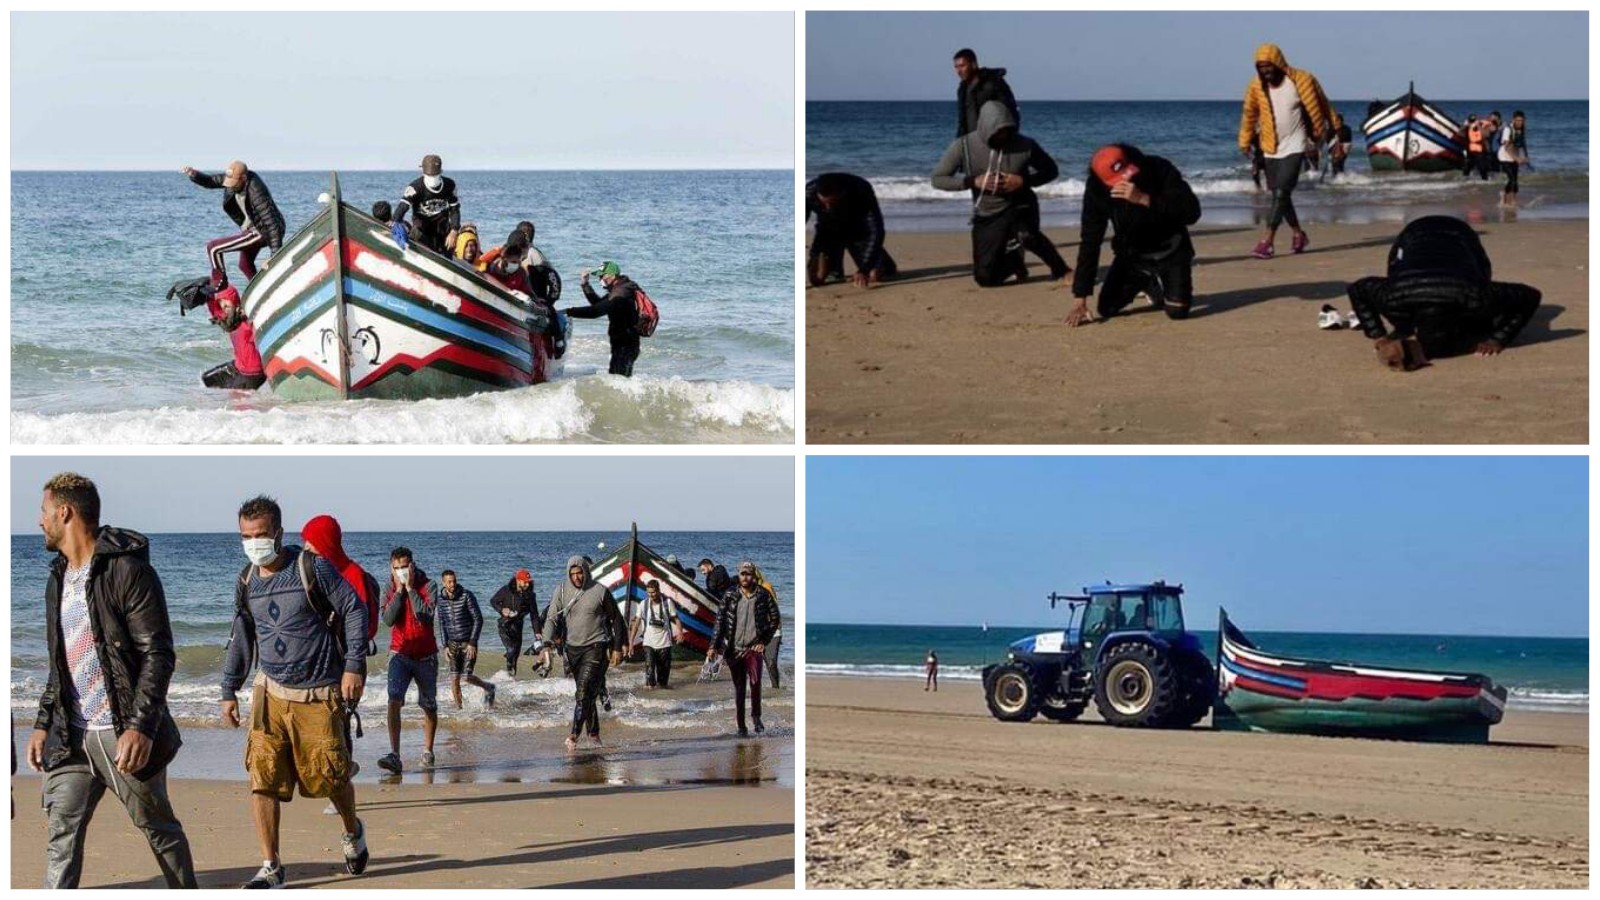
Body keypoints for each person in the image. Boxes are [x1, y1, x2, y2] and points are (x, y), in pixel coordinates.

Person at [28, 473, 196, 889]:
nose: (39, 521)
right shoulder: (57, 577)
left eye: (43, 511)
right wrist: (43, 721)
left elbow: (158, 654)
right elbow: (61, 661)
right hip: (71, 736)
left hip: (120, 733)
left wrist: (140, 727)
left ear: (64, 513)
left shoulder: (128, 572)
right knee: (60, 834)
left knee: (157, 827)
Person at [221, 495, 369, 889]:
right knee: (262, 777)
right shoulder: (246, 579)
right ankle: (271, 866)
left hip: (318, 693)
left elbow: (355, 610)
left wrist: (354, 665)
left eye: (261, 535)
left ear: (279, 533)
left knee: (330, 780)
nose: (254, 543)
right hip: (268, 694)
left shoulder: (311, 567)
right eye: (246, 536)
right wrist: (228, 688)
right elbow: (242, 634)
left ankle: (352, 831)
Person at [1347, 215, 1542, 371]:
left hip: (1461, 236)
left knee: (1481, 322)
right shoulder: (1391, 296)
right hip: (1411, 237)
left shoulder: (1476, 296)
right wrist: (1377, 334)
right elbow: (1357, 289)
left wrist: (1498, 338)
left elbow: (1530, 296)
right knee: (1402, 320)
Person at [931, 100, 1071, 286]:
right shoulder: (963, 146)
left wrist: (1023, 181)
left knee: (1026, 234)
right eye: (998, 131)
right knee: (985, 279)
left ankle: (1062, 269)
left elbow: (1051, 171)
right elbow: (938, 179)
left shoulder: (1025, 144)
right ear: (985, 128)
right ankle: (1015, 263)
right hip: (987, 212)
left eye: (1007, 130)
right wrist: (973, 181)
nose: (1003, 135)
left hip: (1020, 204)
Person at [1066, 144, 1202, 327]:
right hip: (1132, 255)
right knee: (1106, 309)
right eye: (1118, 180)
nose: (1126, 182)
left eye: (1128, 173)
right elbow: (1090, 240)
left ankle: (1165, 282)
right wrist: (1080, 298)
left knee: (1177, 312)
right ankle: (1146, 281)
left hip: (1172, 248)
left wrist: (1144, 199)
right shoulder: (1096, 190)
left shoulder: (1159, 167)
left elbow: (1192, 212)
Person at [1238, 43, 1332, 259]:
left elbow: (1322, 103)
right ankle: (1299, 234)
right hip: (1270, 146)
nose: (1265, 71)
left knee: (1281, 192)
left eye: (1268, 66)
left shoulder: (1301, 80)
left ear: (1278, 63)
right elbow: (1249, 114)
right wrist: (1244, 140)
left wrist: (1331, 128)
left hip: (1296, 143)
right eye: (1260, 67)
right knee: (1281, 195)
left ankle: (1267, 241)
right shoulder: (1256, 86)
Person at [539, 557, 626, 750]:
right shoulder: (561, 590)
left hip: (596, 647)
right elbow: (551, 619)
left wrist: (618, 647)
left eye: (580, 573)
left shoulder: (599, 591)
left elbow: (617, 620)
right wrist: (546, 645)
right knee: (587, 695)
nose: (577, 577)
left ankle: (573, 736)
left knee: (583, 693)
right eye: (573, 574)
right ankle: (594, 736)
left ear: (586, 571)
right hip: (573, 650)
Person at [378, 548, 438, 774]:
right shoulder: (389, 588)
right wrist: (399, 592)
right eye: (397, 568)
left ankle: (428, 750)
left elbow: (425, 614)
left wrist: (411, 589)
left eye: (405, 567)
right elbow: (388, 619)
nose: (401, 571)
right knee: (394, 699)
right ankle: (395, 754)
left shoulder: (428, 585)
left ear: (412, 566)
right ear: (391, 569)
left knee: (429, 706)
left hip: (426, 656)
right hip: (399, 653)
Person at [183, 160, 286, 290]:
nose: (230, 187)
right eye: (229, 183)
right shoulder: (233, 179)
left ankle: (219, 284)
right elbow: (211, 181)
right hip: (253, 228)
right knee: (244, 264)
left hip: (263, 231)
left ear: (244, 178)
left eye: (233, 184)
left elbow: (272, 225)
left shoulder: (257, 191)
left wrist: (274, 257)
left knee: (213, 247)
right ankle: (262, 289)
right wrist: (194, 174)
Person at [707, 562, 781, 737]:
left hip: (753, 648)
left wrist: (764, 640)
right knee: (739, 688)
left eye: (748, 574)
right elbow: (719, 621)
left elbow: (775, 617)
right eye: (742, 574)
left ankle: (756, 717)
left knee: (755, 683)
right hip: (734, 648)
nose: (745, 577)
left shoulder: (763, 594)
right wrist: (714, 646)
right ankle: (741, 725)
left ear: (754, 576)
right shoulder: (730, 594)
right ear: (738, 575)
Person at [300, 514, 382, 669]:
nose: (306, 547)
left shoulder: (354, 575)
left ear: (325, 542)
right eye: (305, 541)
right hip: (316, 662)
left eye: (311, 541)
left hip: (343, 663)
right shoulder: (312, 573)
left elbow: (365, 625)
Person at [806, 173, 897, 288]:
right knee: (817, 278)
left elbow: (876, 230)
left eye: (832, 203)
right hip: (828, 232)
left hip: (857, 231)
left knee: (875, 274)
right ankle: (834, 268)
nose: (828, 207)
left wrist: (864, 269)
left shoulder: (861, 189)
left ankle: (883, 264)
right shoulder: (808, 193)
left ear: (843, 193)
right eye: (824, 203)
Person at [565, 261, 644, 376]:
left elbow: (595, 311)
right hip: (624, 344)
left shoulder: (620, 293)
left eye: (602, 276)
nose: (600, 279)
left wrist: (568, 311)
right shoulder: (619, 289)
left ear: (612, 276)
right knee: (618, 380)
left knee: (618, 380)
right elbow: (598, 304)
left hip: (625, 345)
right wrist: (585, 284)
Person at [437, 570, 495, 709]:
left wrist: (473, 642)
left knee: (466, 677)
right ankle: (460, 710)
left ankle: (488, 687)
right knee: (454, 679)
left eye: (454, 581)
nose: (453, 584)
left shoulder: (466, 595)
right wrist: (444, 646)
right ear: (443, 583)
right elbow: (441, 623)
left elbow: (478, 619)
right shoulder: (440, 600)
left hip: (467, 642)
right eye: (449, 582)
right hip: (451, 644)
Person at [393, 154, 460, 255]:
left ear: (441, 172)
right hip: (421, 232)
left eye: (434, 175)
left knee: (445, 256)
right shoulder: (415, 187)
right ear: (422, 172)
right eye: (429, 175)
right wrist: (396, 221)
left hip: (442, 232)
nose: (432, 178)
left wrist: (454, 231)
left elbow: (454, 210)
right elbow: (403, 206)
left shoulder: (449, 185)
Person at [952, 48, 1019, 137]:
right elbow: (962, 121)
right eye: (956, 67)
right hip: (972, 143)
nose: (958, 71)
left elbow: (1011, 112)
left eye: (962, 66)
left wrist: (1006, 138)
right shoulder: (962, 89)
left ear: (973, 64)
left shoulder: (993, 83)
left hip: (993, 141)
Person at [630, 580, 682, 689]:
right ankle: (650, 697)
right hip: (649, 642)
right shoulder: (643, 604)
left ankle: (662, 698)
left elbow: (676, 619)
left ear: (658, 591)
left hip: (665, 643)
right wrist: (631, 642)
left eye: (653, 592)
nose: (651, 595)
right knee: (649, 673)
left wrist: (680, 633)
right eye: (649, 592)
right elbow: (636, 624)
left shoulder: (667, 603)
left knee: (663, 681)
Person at [491, 570, 541, 676]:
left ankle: (511, 679)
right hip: (505, 626)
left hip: (518, 627)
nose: (528, 584)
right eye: (525, 582)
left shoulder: (530, 595)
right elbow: (493, 601)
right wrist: (502, 610)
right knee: (511, 650)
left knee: (515, 656)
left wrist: (537, 631)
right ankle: (507, 671)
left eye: (529, 582)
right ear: (518, 581)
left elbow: (534, 615)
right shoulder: (506, 590)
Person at [1499, 111, 1529, 207]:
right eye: (1518, 120)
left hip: (1514, 157)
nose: (1520, 123)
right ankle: (1505, 199)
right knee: (1511, 179)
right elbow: (1507, 147)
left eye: (1521, 121)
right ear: (1513, 120)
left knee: (1515, 181)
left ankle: (1513, 201)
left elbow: (1523, 143)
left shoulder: (1522, 129)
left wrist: (1525, 156)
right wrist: (1517, 159)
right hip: (1504, 157)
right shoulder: (1508, 129)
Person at [1461, 114, 1486, 178]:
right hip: (1470, 148)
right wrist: (1465, 126)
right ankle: (1465, 177)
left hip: (1479, 148)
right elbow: (1460, 133)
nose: (1472, 122)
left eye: (1474, 121)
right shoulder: (1467, 127)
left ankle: (1484, 178)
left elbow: (1484, 135)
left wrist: (1478, 125)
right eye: (1471, 121)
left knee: (1482, 165)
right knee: (1468, 164)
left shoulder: (1479, 126)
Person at [1329, 112, 1353, 176]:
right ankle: (1337, 178)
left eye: (1337, 121)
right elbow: (1327, 138)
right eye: (1335, 121)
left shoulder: (1347, 129)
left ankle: (1339, 177)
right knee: (1335, 164)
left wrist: (1337, 131)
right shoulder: (1332, 128)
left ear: (1341, 121)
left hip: (1344, 148)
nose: (1336, 123)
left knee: (1338, 163)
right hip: (1334, 149)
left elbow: (1346, 139)